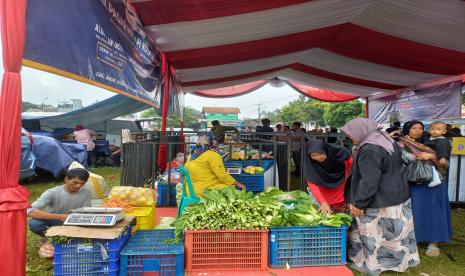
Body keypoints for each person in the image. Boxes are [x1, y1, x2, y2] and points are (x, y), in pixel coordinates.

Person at [341, 118, 420, 275]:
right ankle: (397, 262)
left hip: (378, 200)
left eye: (350, 133)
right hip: (397, 195)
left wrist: (359, 202)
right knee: (395, 235)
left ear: (361, 130)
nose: (349, 137)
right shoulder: (384, 139)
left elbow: (369, 180)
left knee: (374, 235)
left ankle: (374, 265)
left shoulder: (369, 148)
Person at [402, 120, 452, 257]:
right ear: (407, 130)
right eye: (414, 128)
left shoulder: (439, 143)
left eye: (420, 128)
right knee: (415, 210)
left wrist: (431, 156)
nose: (417, 130)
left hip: (433, 183)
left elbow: (445, 165)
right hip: (413, 183)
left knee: (435, 210)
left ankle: (434, 241)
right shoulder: (402, 144)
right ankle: (416, 237)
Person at [28, 168, 91, 258]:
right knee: (35, 224)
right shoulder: (52, 192)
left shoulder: (87, 191)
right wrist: (59, 217)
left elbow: (86, 211)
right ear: (66, 179)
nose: (78, 186)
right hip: (54, 222)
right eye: (75, 182)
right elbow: (29, 210)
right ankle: (50, 238)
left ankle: (56, 241)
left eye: (82, 184)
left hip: (75, 222)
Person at [305, 139, 352, 214]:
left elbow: (352, 170)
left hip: (342, 190)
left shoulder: (341, 154)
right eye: (313, 155)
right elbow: (312, 183)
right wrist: (322, 202)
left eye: (320, 154)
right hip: (324, 193)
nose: (317, 158)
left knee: (346, 216)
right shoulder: (311, 164)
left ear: (326, 151)